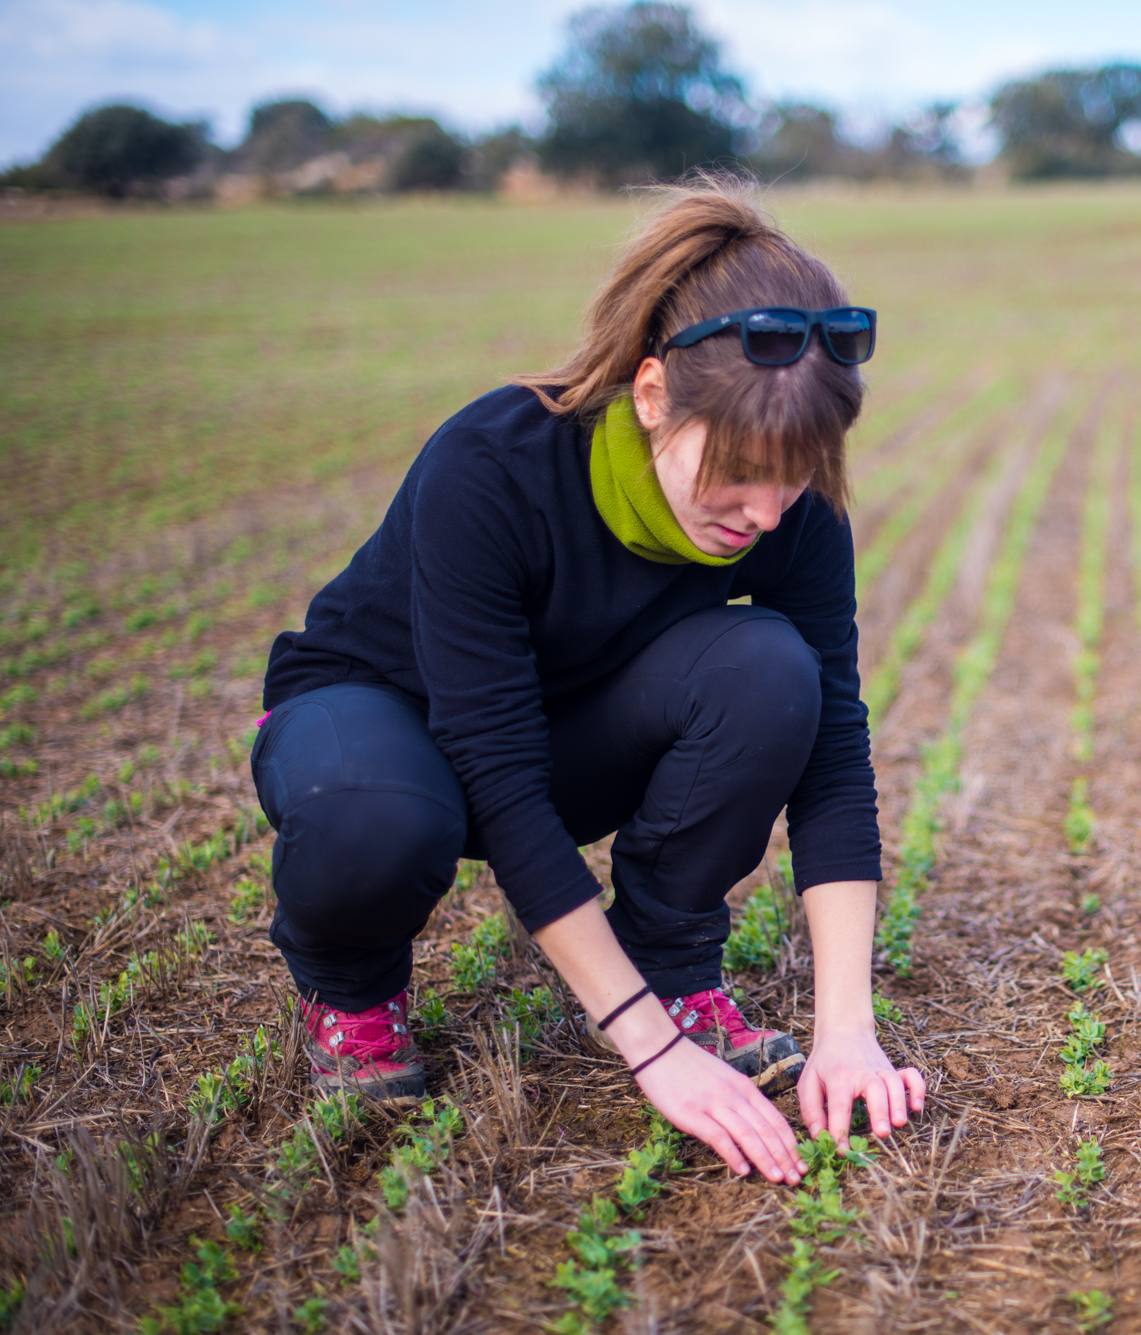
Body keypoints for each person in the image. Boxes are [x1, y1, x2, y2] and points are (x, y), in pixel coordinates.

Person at [249, 179, 925, 1185]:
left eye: (795, 473)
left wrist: (846, 1031)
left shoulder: (793, 515)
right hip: (382, 723)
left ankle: (671, 965)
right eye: (738, 471)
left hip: (567, 729)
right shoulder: (494, 464)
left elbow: (832, 756)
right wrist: (650, 1053)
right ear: (652, 396)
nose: (765, 512)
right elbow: (498, 769)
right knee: (372, 818)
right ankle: (350, 987)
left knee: (775, 672)